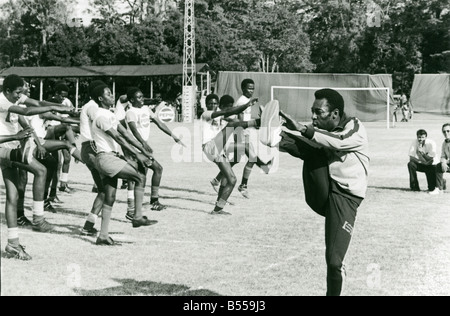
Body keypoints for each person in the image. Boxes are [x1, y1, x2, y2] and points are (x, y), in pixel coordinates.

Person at [277, 88, 370, 296]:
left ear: (335, 114)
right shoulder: (321, 129)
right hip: (322, 192)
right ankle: (274, 138)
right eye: (313, 111)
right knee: (312, 148)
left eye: (319, 112)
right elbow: (310, 139)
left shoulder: (354, 127)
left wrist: (303, 129)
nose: (313, 116)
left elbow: (340, 140)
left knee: (334, 261)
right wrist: (277, 134)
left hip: (345, 197)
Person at [0, 74, 75, 260]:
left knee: (13, 195)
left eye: (21, 92)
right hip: (4, 147)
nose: (20, 96)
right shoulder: (2, 101)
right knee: (40, 170)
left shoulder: (15, 96)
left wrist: (34, 138)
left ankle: (12, 244)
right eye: (17, 93)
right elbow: (26, 112)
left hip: (11, 147)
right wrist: (57, 106)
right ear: (7, 91)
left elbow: (34, 104)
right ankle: (38, 219)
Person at [90, 84, 157, 246]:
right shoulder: (100, 116)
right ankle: (137, 217)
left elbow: (125, 133)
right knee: (139, 175)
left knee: (110, 197)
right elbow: (119, 138)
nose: (112, 96)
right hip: (106, 159)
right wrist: (137, 154)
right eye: (108, 94)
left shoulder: (110, 113)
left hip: (109, 158)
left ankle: (103, 235)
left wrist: (142, 148)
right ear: (100, 98)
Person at [125, 87, 184, 217]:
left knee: (144, 175)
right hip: (135, 148)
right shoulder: (130, 112)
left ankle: (143, 204)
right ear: (131, 100)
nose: (142, 99)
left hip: (142, 147)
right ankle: (138, 206)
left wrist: (173, 135)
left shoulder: (146, 109)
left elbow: (159, 123)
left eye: (142, 96)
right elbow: (134, 130)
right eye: (139, 97)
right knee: (146, 173)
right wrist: (143, 144)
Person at [211, 79, 275, 198]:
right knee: (250, 156)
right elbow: (239, 120)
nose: (251, 90)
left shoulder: (246, 101)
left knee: (236, 159)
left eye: (252, 88)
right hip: (240, 131)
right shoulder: (242, 101)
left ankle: (217, 179)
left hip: (244, 131)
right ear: (243, 89)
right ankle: (246, 183)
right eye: (249, 88)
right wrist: (249, 127)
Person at [201, 94, 259, 215]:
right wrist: (247, 105)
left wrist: (256, 122)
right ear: (206, 105)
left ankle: (218, 209)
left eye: (215, 103)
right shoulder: (206, 114)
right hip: (210, 147)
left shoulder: (220, 117)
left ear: (218, 105)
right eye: (210, 103)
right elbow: (229, 114)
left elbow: (237, 119)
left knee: (231, 180)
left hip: (218, 150)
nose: (213, 105)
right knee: (231, 126)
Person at [430, 123, 450, 195]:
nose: (446, 133)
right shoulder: (444, 143)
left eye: (448, 131)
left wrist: (445, 162)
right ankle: (439, 189)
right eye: (444, 131)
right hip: (448, 163)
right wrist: (443, 162)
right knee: (439, 166)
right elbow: (443, 156)